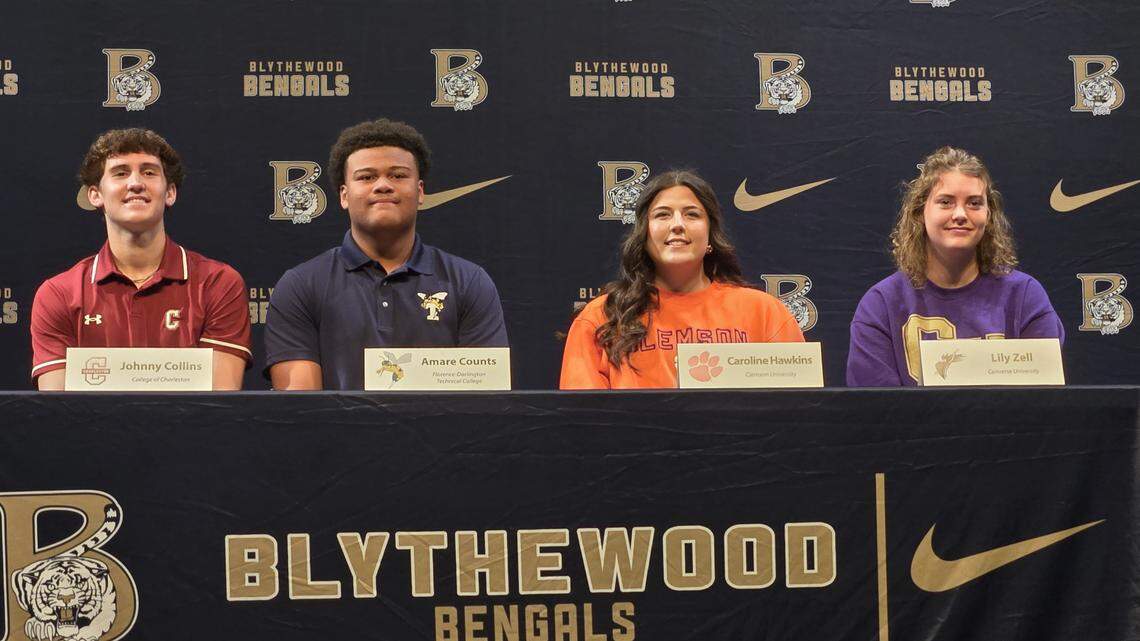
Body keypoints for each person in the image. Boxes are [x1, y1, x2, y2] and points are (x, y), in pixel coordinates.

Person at [265, 118, 507, 390]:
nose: (383, 185)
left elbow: (486, 401)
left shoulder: (469, 281)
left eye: (398, 175)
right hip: (336, 433)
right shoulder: (300, 285)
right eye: (366, 177)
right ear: (344, 195)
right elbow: (300, 411)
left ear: (420, 192)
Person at [30, 128, 252, 390]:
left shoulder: (219, 283)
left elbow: (218, 407)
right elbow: (59, 415)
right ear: (95, 195)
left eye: (149, 172)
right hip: (93, 433)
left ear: (170, 192)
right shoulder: (58, 294)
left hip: (191, 431)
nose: (136, 183)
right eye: (120, 173)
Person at [560, 170, 804, 389]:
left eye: (692, 215)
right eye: (663, 215)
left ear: (710, 236)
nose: (677, 224)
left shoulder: (764, 313)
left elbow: (798, 414)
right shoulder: (600, 317)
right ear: (643, 235)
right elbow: (583, 425)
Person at [846, 146, 1064, 387]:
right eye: (946, 202)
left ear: (988, 215)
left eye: (974, 203)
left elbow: (1043, 403)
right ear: (919, 213)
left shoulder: (1025, 296)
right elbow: (874, 413)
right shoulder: (881, 304)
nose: (960, 214)